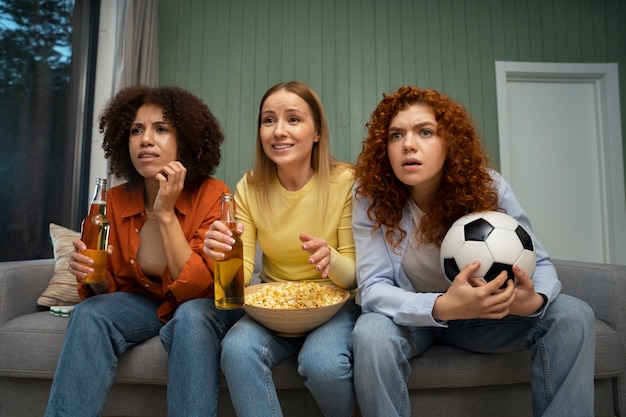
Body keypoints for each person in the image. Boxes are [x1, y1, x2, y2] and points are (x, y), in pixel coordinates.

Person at [350, 85, 595, 417]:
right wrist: (442, 306)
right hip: (411, 321)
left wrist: (532, 300)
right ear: (385, 148)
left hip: (482, 319)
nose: (408, 144)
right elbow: (373, 289)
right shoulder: (371, 198)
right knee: (370, 333)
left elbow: (542, 262)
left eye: (425, 132)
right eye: (396, 135)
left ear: (449, 141)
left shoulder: (489, 187)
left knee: (573, 314)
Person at [44, 85, 244, 417]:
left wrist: (165, 214)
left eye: (161, 129)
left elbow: (197, 289)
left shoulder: (214, 195)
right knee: (90, 314)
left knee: (191, 317)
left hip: (198, 306)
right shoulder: (113, 201)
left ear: (185, 141)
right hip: (144, 304)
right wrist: (88, 274)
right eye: (136, 130)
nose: (145, 139)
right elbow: (105, 291)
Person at [204, 81, 360, 417]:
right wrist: (220, 257)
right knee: (236, 349)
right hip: (273, 306)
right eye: (268, 120)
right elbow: (241, 276)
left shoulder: (346, 181)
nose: (278, 131)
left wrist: (330, 258)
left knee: (323, 365)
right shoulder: (249, 186)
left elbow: (352, 280)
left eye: (293, 119)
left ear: (317, 131)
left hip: (333, 305)